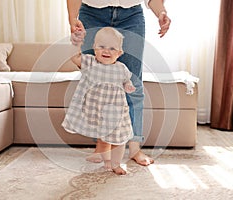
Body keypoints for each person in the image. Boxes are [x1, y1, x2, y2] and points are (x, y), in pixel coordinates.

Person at [66, 0, 171, 166]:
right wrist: (73, 19)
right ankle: (102, 146)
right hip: (92, 13)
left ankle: (134, 148)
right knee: (96, 84)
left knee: (133, 85)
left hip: (131, 16)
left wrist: (161, 12)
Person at [62, 27, 136, 175]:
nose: (106, 51)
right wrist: (76, 43)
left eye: (112, 48)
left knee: (119, 139)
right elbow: (74, 57)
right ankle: (107, 160)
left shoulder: (122, 68)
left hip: (116, 112)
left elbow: (126, 81)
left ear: (119, 53)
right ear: (94, 48)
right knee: (103, 137)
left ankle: (116, 164)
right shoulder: (90, 62)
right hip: (96, 110)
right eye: (101, 47)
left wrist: (128, 86)